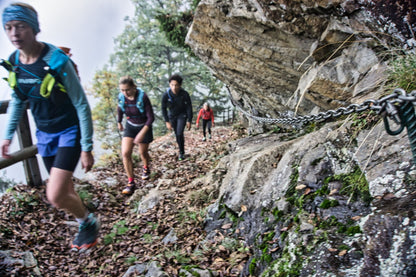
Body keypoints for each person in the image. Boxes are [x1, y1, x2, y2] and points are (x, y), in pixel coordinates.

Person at [1, 3, 99, 251]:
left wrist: (87, 147)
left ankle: (88, 221)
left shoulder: (57, 62)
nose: (14, 33)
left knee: (54, 196)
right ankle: (83, 222)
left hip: (69, 132)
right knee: (65, 190)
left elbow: (81, 104)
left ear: (34, 28)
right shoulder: (15, 62)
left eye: (21, 26)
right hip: (44, 135)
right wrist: (7, 136)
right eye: (8, 27)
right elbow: (18, 100)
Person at [117, 76, 154, 195]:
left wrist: (142, 133)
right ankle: (131, 182)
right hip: (130, 126)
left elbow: (150, 118)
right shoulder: (122, 97)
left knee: (143, 152)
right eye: (122, 90)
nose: (125, 93)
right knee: (125, 153)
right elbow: (119, 108)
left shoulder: (143, 97)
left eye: (127, 89)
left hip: (144, 126)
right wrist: (119, 121)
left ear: (133, 87)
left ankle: (146, 167)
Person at [161, 74, 193, 161]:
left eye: (176, 85)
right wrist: (167, 121)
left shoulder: (184, 94)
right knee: (177, 134)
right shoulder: (166, 95)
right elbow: (163, 109)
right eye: (172, 85)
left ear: (180, 85)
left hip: (182, 115)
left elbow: (189, 107)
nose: (174, 87)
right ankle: (180, 149)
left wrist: (189, 120)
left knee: (179, 133)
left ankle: (181, 152)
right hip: (172, 116)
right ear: (169, 84)